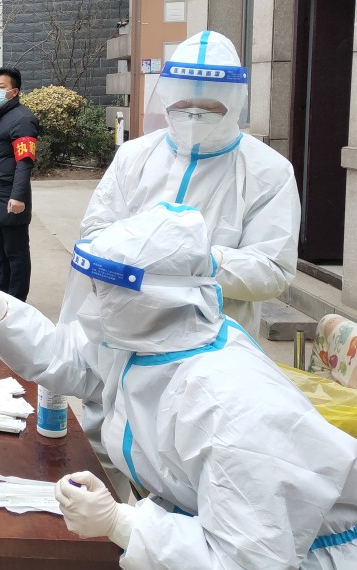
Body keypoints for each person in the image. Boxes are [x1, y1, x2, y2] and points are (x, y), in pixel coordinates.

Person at [0, 203, 357, 570]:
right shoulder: (158, 339)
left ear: (156, 294)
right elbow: (74, 360)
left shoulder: (232, 403)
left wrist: (120, 523)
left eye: (108, 289)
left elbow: (247, 568)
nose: (96, 300)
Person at [63, 30, 301, 499]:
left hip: (208, 355)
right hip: (120, 344)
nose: (192, 114)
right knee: (106, 454)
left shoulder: (267, 171)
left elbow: (272, 270)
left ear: (234, 102)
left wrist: (194, 260)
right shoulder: (135, 157)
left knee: (190, 473)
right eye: (182, 104)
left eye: (208, 106)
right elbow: (94, 232)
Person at [0, 67, 39, 300]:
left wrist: (19, 196)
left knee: (16, 251)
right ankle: (2, 294)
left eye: (1, 87)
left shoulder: (23, 119)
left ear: (14, 92)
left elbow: (24, 162)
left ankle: (16, 300)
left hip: (10, 194)